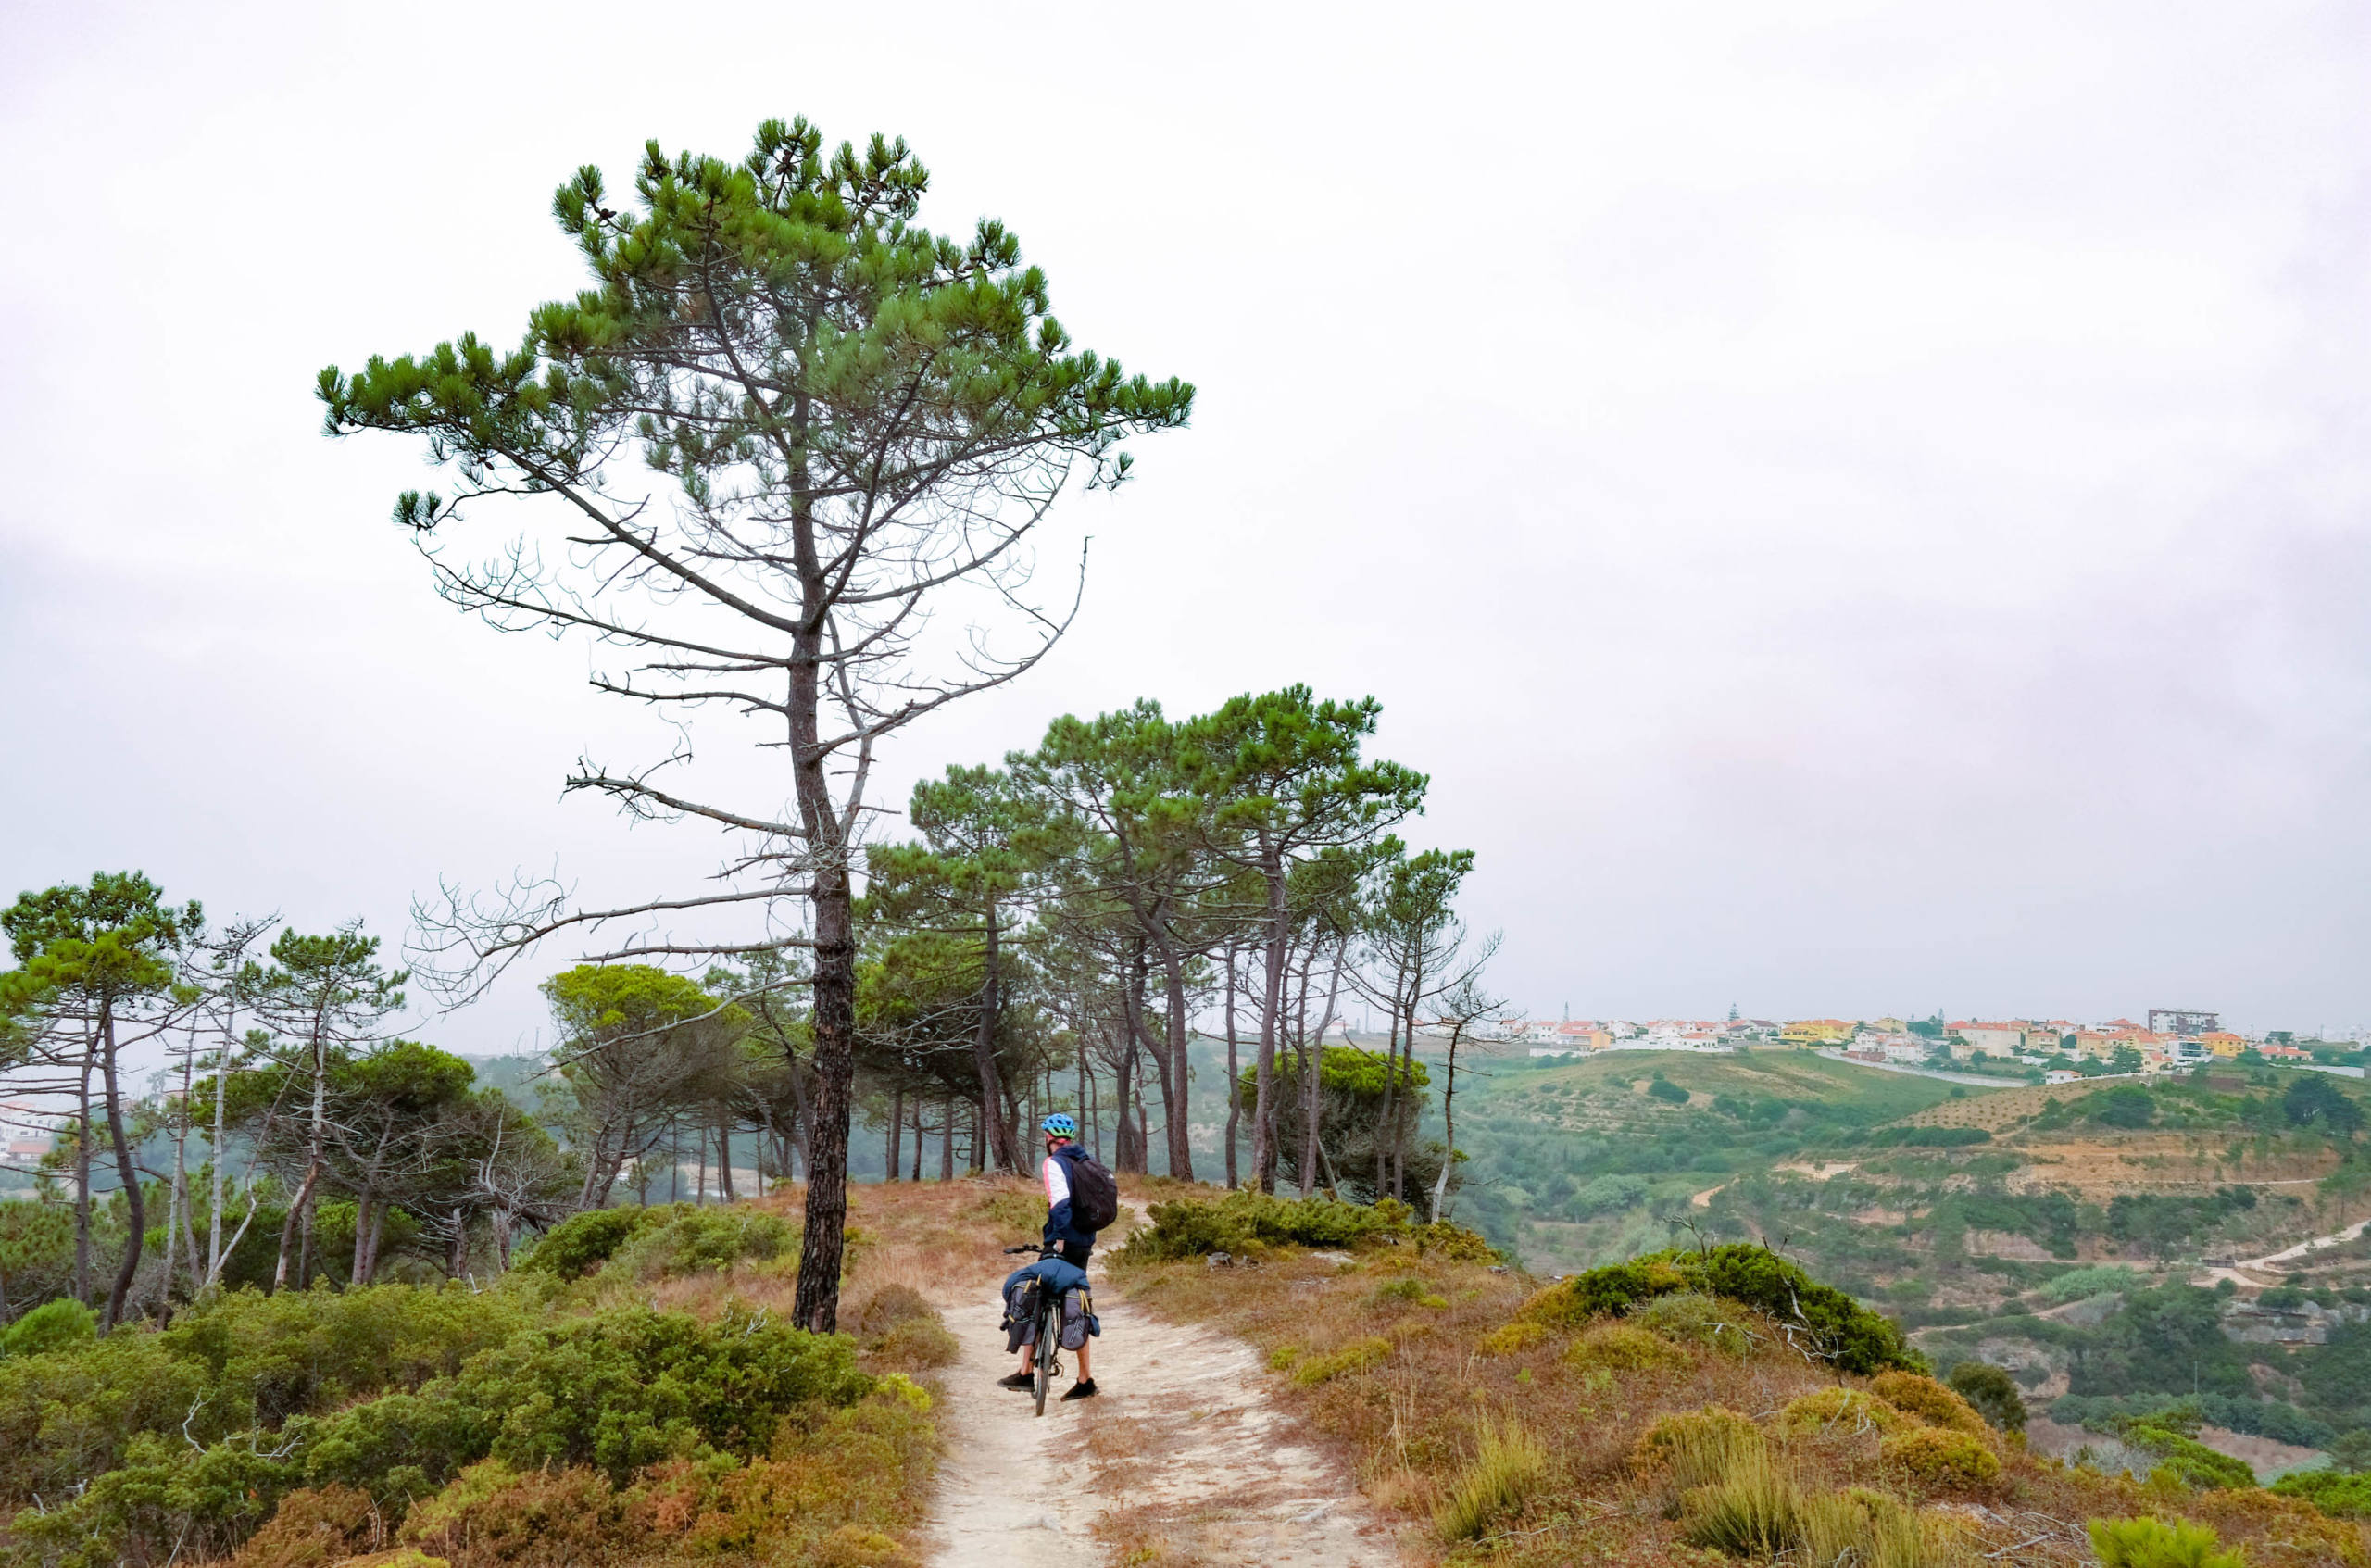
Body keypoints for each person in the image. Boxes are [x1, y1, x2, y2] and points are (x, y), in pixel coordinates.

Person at [997, 1112, 1098, 1400]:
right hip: (1084, 1243)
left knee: (1035, 1293)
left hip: (1061, 1241)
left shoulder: (1054, 1163)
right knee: (1076, 1304)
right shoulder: (1085, 1162)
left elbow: (1061, 1203)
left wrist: (1058, 1240)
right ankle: (1085, 1379)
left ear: (1048, 1138)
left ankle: (1026, 1373)